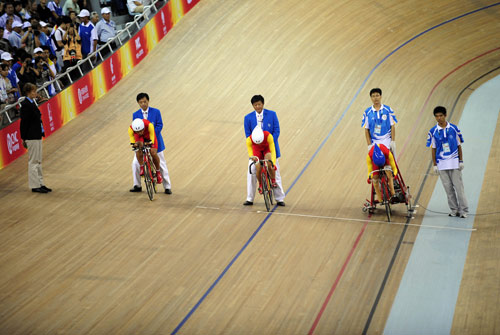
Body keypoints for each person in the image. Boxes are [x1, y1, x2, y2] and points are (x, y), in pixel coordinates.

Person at [426, 106, 468, 218]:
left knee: (459, 188)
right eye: (437, 116)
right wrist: (434, 164)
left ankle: (464, 210)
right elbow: (433, 148)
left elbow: (459, 146)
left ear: (445, 115)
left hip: (454, 163)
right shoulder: (433, 131)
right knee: (448, 190)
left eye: (441, 115)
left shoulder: (454, 128)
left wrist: (461, 160)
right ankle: (454, 210)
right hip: (442, 164)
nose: (439, 118)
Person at [243, 95, 285, 206]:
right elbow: (248, 135)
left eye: (259, 104)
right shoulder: (248, 118)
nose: (258, 107)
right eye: (255, 105)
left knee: (274, 169)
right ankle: (250, 198)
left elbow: (277, 130)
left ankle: (280, 198)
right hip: (256, 147)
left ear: (263, 104)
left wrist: (269, 140)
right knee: (252, 170)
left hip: (269, 146)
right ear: (253, 106)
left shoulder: (272, 114)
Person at [130, 92, 172, 193]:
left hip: (155, 140)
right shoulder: (135, 115)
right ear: (138, 103)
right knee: (135, 163)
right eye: (141, 102)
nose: (143, 104)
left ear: (148, 101)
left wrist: (151, 134)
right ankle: (137, 185)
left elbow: (159, 125)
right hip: (142, 142)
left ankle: (167, 186)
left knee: (161, 163)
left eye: (145, 101)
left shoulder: (156, 112)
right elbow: (135, 130)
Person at [19, 83, 52, 193]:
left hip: (37, 134)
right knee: (33, 161)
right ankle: (34, 185)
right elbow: (24, 123)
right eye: (33, 91)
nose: (35, 93)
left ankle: (40, 183)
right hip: (31, 136)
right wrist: (23, 137)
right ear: (28, 92)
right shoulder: (25, 105)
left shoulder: (32, 102)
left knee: (38, 161)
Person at [362, 88, 398, 156]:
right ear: (371, 98)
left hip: (387, 140)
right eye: (373, 96)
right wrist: (369, 145)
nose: (375, 98)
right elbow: (366, 130)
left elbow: (392, 126)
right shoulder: (367, 112)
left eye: (377, 95)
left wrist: (393, 141)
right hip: (374, 142)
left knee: (391, 164)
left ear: (381, 96)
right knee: (377, 165)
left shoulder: (388, 110)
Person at [128, 118, 163, 185]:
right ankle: (142, 167)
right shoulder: (131, 129)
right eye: (138, 131)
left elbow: (152, 137)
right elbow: (132, 139)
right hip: (139, 138)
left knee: (153, 152)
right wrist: (134, 144)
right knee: (138, 149)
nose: (140, 133)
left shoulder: (149, 125)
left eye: (141, 131)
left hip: (149, 135)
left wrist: (150, 143)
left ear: (143, 127)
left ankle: (158, 172)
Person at [247, 126, 278, 194]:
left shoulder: (269, 136)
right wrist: (252, 157)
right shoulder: (249, 140)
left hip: (266, 149)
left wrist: (273, 163)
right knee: (258, 168)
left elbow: (273, 151)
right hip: (256, 150)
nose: (259, 144)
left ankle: (273, 180)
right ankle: (261, 184)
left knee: (270, 163)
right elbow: (250, 153)